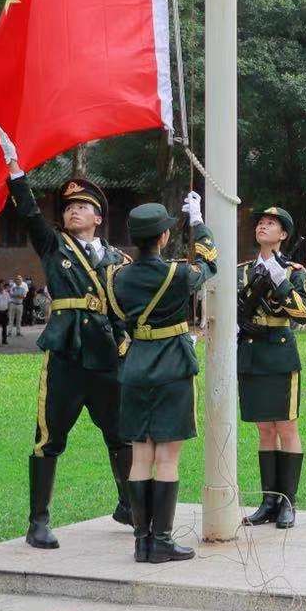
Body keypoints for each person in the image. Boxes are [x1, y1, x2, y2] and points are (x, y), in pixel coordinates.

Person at [0, 122, 134, 550]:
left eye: (83, 206)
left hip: (108, 356)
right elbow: (29, 214)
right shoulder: (54, 246)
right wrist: (15, 169)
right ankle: (38, 522)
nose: (73, 211)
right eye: (70, 206)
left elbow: (127, 306)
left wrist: (128, 344)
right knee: (49, 437)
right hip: (66, 355)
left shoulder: (119, 258)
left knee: (120, 434)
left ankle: (128, 504)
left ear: (98, 217)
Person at [104, 196, 214, 562]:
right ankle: (162, 541)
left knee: (140, 456)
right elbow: (210, 263)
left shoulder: (117, 277)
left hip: (135, 366)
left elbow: (118, 317)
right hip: (172, 367)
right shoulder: (178, 274)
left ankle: (141, 542)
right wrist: (198, 222)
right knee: (166, 458)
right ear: (164, 237)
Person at [237, 206, 306, 530]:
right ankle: (268, 501)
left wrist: (281, 281)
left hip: (280, 353)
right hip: (252, 353)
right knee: (265, 430)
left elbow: (303, 314)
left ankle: (287, 502)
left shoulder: (294, 272)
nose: (263, 226)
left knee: (286, 428)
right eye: (261, 222)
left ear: (283, 235)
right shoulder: (243, 271)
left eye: (271, 224)